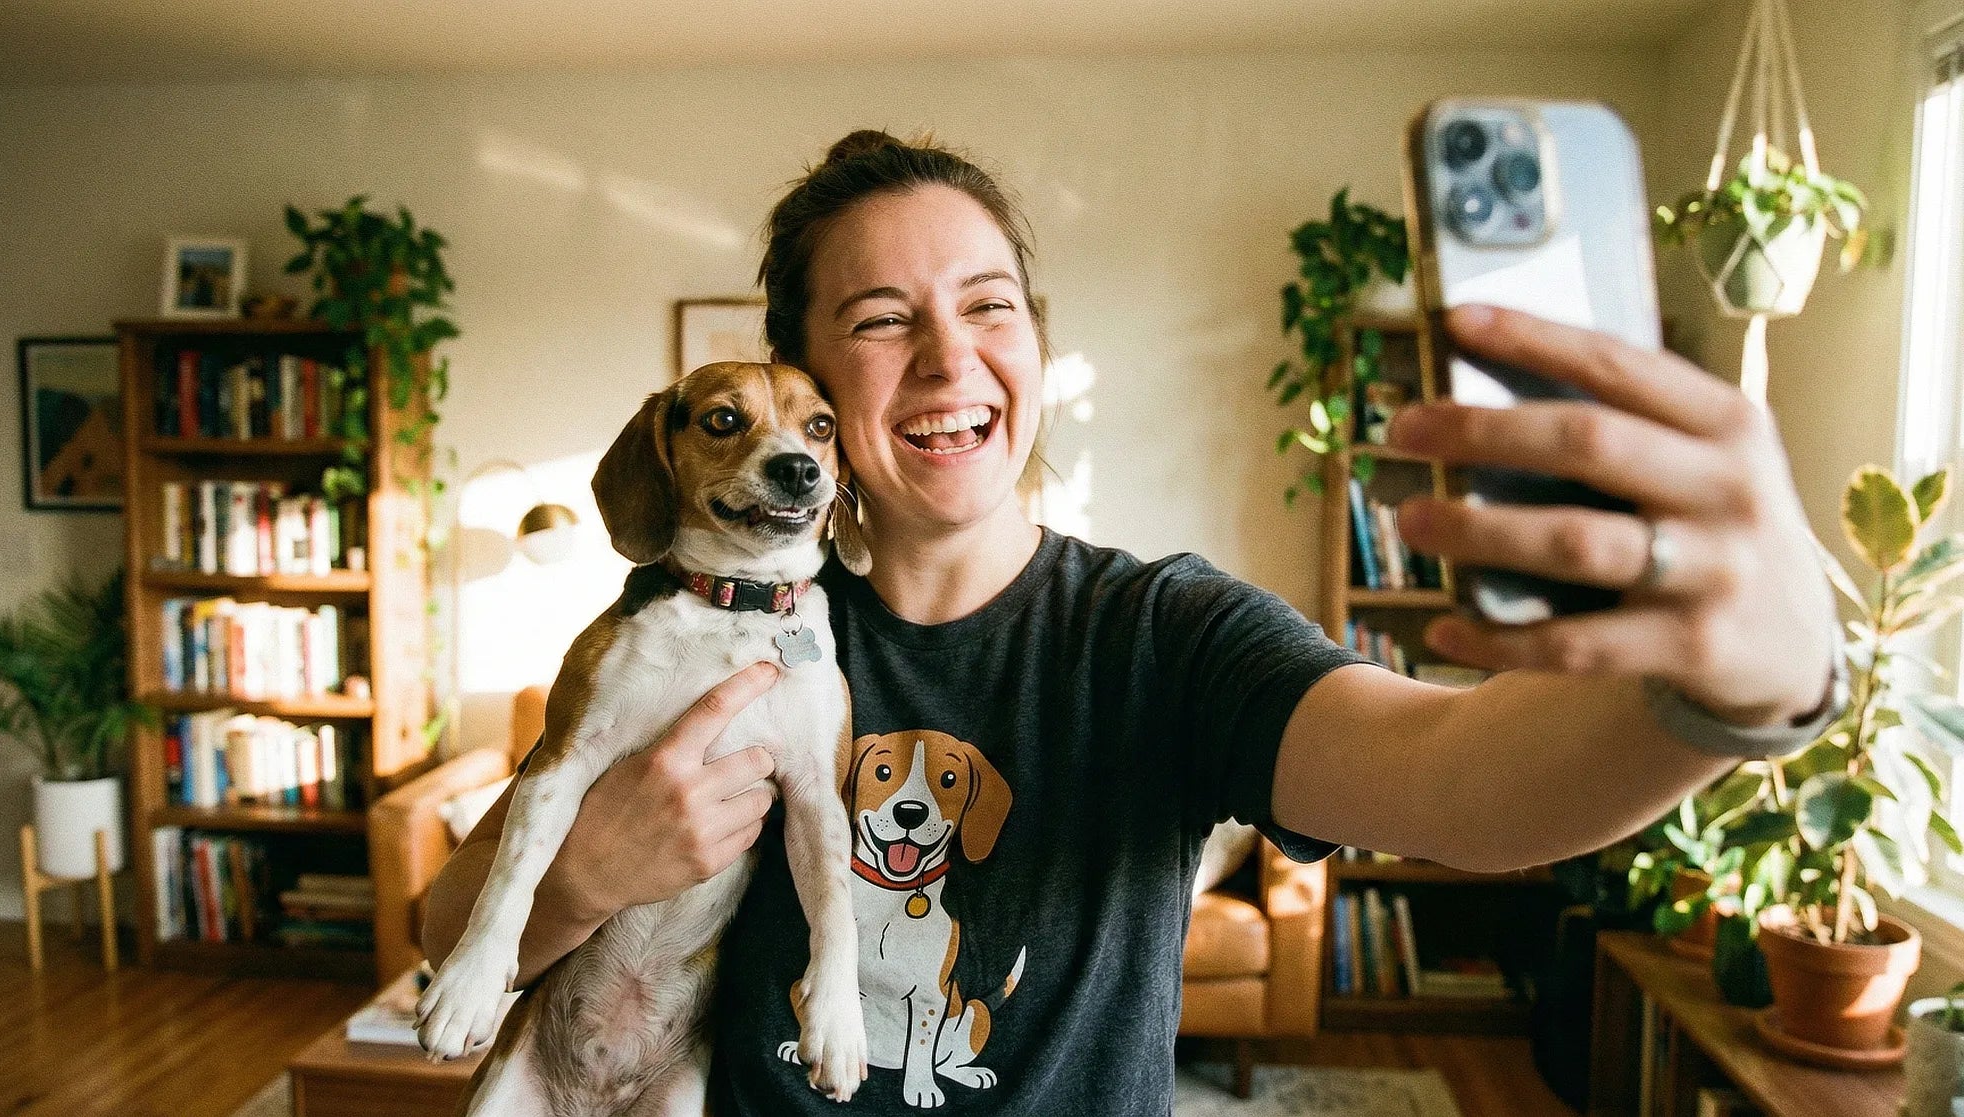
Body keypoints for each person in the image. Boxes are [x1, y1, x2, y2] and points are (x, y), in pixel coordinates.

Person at [425, 129, 1840, 1115]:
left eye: (991, 306)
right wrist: (594, 869)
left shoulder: (1161, 633)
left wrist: (1739, 691)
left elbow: (1463, 784)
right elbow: (447, 925)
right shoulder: (716, 621)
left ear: (1036, 345)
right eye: (881, 319)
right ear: (807, 385)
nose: (951, 357)